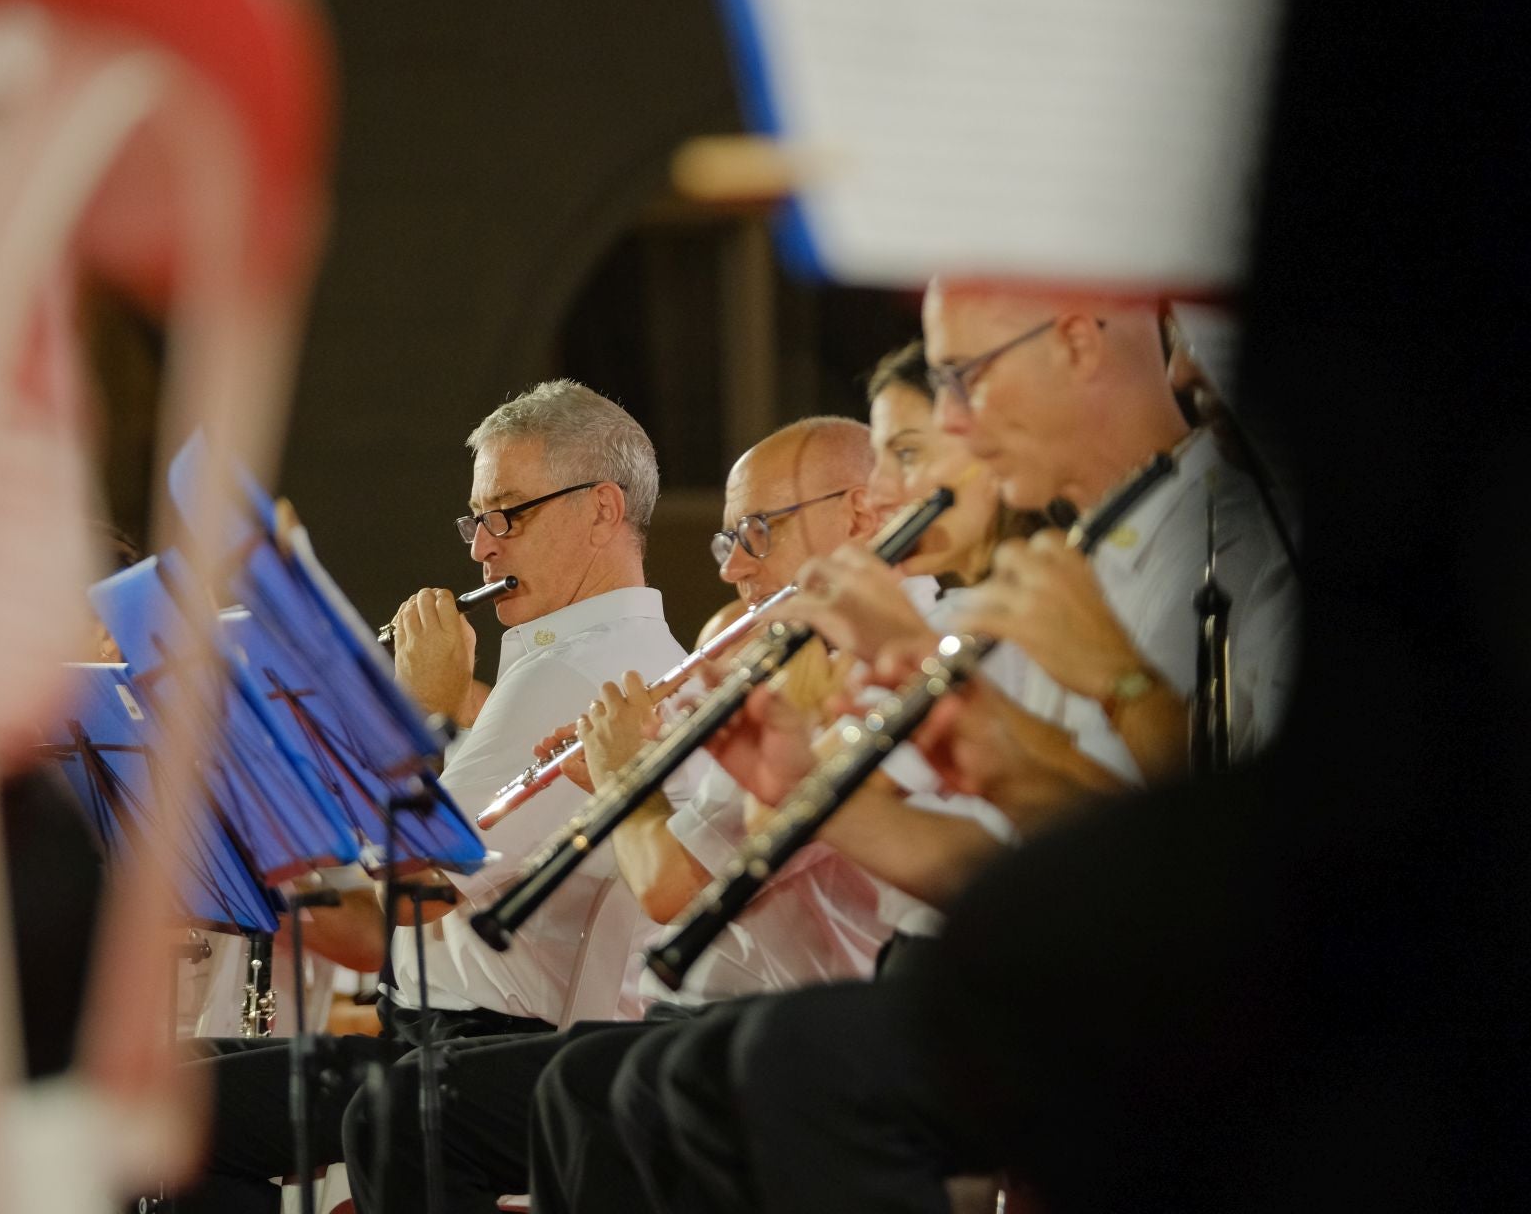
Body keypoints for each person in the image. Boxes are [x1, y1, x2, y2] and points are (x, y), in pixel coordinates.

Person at [635, 284, 1296, 1214]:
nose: (956, 421)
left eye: (966, 380)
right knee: (710, 1071)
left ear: (1076, 345)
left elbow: (1248, 884)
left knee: (786, 1066)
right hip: (1066, 983)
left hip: (1176, 1020)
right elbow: (1005, 856)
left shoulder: (1240, 545)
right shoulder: (1075, 563)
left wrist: (1117, 688)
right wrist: (811, 788)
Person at [339, 417, 925, 1214]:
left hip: (772, 1037)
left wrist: (430, 720)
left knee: (427, 1105)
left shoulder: (865, 667)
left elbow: (667, 890)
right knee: (524, 1088)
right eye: (729, 541)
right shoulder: (773, 665)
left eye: (759, 531)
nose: (737, 568)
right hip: (687, 1026)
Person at [176, 379, 687, 1214]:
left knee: (180, 1114)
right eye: (476, 520)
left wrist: (405, 718)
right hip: (432, 1035)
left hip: (485, 1052)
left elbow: (413, 887)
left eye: (508, 514)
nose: (482, 549)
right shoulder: (562, 659)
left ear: (602, 510)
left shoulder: (577, 674)